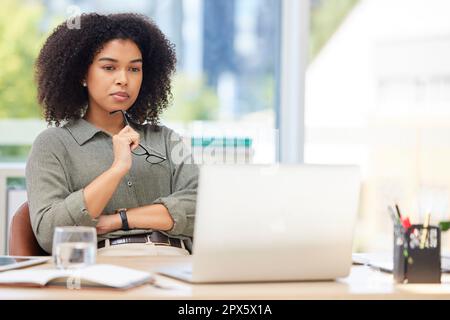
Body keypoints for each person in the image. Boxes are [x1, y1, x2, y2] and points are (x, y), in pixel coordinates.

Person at [26, 13, 198, 256]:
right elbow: (49, 232)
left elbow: (202, 210)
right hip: (103, 266)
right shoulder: (53, 144)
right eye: (109, 67)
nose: (123, 80)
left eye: (134, 69)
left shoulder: (166, 139)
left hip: (178, 264)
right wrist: (117, 169)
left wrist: (119, 220)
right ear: (82, 75)